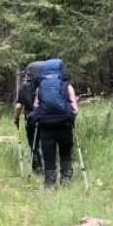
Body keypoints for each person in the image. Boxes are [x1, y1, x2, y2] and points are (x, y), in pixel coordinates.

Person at [25, 59, 79, 188]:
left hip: (46, 127)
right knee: (65, 152)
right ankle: (66, 180)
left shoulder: (40, 88)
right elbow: (75, 110)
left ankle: (49, 184)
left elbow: (36, 106)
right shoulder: (67, 86)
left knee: (49, 154)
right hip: (64, 125)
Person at [13, 61, 47, 171]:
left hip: (31, 118)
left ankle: (37, 167)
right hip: (45, 118)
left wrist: (16, 118)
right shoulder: (46, 84)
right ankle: (49, 166)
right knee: (46, 142)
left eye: (27, 73)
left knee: (33, 143)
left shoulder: (24, 86)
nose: (26, 75)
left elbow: (19, 106)